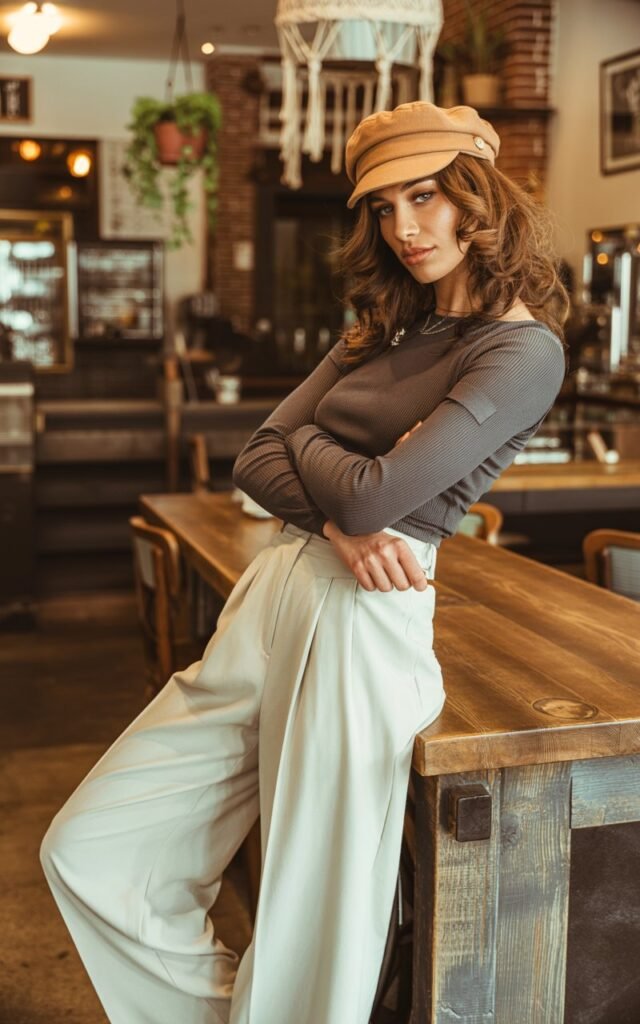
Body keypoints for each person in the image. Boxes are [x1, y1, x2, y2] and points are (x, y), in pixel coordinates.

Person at [40, 101, 568, 1024]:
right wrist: (340, 511)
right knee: (92, 848)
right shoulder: (384, 327)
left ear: (479, 199)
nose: (404, 227)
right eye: (383, 207)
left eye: (426, 196)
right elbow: (257, 457)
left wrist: (336, 477)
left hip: (364, 621)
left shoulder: (522, 351)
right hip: (278, 591)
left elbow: (370, 496)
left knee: (311, 915)